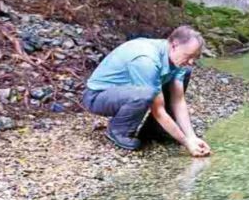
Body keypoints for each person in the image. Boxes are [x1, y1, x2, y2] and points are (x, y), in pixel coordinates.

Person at [81, 25, 212, 156]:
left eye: (194, 57)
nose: (191, 61)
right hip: (97, 97)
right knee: (146, 94)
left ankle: (155, 131)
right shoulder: (147, 60)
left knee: (186, 72)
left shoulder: (177, 58)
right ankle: (118, 131)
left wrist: (192, 137)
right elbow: (158, 110)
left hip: (128, 92)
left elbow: (178, 100)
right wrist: (186, 142)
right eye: (188, 56)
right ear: (174, 45)